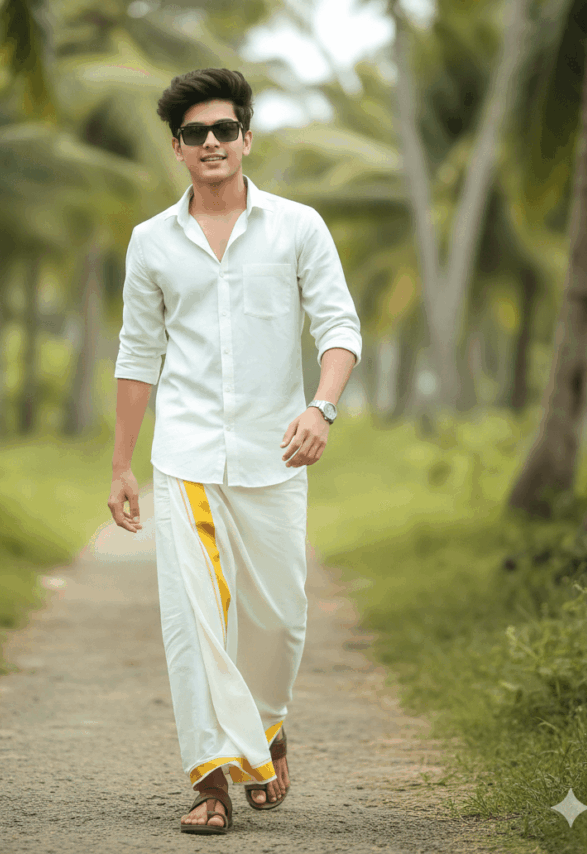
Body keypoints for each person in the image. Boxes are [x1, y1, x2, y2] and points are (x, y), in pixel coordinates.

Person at [108, 67, 362, 835]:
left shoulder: (297, 226)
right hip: (185, 457)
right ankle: (212, 778)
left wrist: (322, 407)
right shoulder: (151, 241)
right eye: (195, 133)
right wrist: (121, 463)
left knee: (279, 619)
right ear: (178, 149)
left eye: (223, 129)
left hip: (276, 455)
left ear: (246, 138)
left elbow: (340, 327)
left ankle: (268, 724)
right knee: (195, 622)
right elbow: (136, 353)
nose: (211, 142)